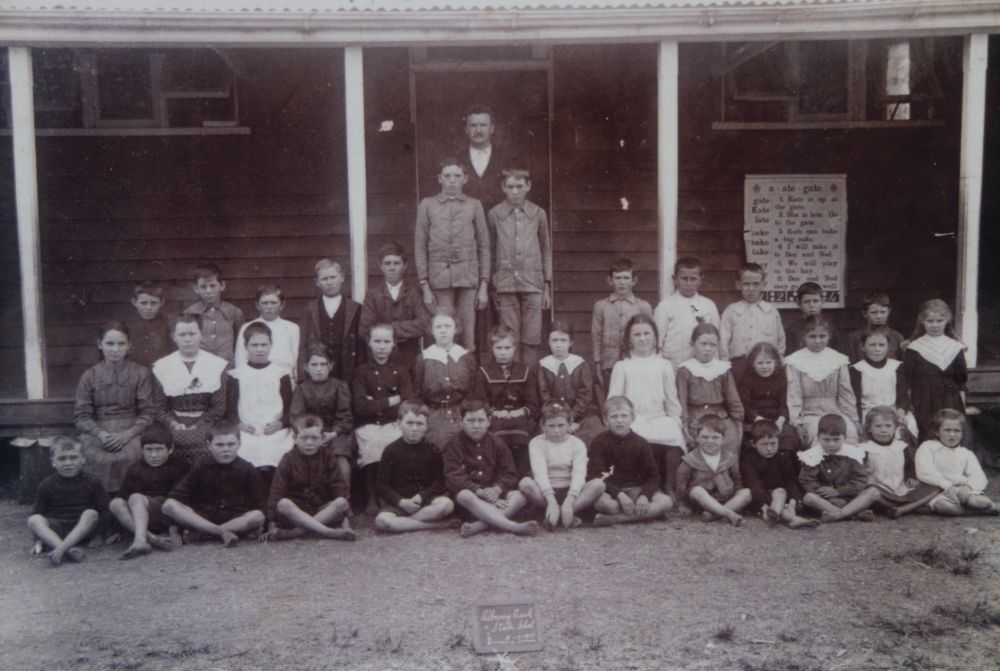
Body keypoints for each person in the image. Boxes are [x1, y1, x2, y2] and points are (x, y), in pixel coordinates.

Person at [414, 158, 490, 352]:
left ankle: (467, 380)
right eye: (447, 176)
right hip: (439, 280)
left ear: (465, 179)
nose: (452, 180)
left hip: (468, 279)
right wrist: (425, 286)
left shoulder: (474, 205)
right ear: (440, 178)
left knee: (467, 336)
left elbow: (484, 246)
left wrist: (483, 285)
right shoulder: (427, 205)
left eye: (457, 176)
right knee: (443, 332)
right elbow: (420, 246)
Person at [608, 313, 685, 498]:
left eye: (646, 333)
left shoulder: (664, 365)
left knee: (674, 436)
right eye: (637, 334)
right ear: (629, 339)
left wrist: (677, 421)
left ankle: (669, 486)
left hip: (659, 416)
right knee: (639, 438)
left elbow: (671, 398)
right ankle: (649, 485)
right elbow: (614, 400)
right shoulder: (622, 366)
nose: (643, 338)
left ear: (654, 337)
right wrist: (620, 420)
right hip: (634, 418)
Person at [74, 321, 155, 494]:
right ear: (99, 344)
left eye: (121, 344)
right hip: (99, 431)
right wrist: (101, 434)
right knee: (92, 454)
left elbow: (147, 412)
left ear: (129, 345)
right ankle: (100, 504)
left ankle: (128, 501)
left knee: (132, 454)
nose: (115, 349)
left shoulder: (141, 373)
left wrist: (127, 435)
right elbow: (81, 416)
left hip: (132, 431)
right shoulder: (89, 376)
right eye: (110, 343)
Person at [442, 398, 538, 538]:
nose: (476, 425)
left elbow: (509, 474)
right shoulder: (453, 445)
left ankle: (479, 526)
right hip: (471, 501)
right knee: (464, 495)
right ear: (461, 422)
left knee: (520, 496)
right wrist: (478, 491)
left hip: (495, 495)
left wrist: (497, 489)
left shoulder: (497, 443)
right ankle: (513, 526)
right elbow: (454, 476)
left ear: (489, 421)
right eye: (471, 421)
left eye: (481, 421)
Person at [163, 421, 267, 547]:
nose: (226, 449)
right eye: (220, 445)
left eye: (231, 444)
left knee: (258, 516)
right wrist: (173, 530)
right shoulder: (201, 465)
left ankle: (204, 534)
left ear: (239, 444)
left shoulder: (248, 469)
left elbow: (262, 504)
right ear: (209, 445)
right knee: (169, 505)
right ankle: (220, 532)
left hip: (234, 518)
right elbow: (176, 496)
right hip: (203, 517)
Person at [488, 168, 552, 366]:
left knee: (531, 339)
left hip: (533, 285)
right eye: (510, 187)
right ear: (503, 188)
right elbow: (490, 250)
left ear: (528, 186)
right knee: (509, 338)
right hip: (506, 285)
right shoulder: (495, 214)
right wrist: (493, 284)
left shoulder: (538, 213)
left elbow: (546, 249)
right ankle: (512, 386)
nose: (515, 191)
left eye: (519, 187)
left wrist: (547, 285)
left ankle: (530, 385)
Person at [259, 414, 355, 541]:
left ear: (322, 439)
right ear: (294, 438)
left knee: (342, 502)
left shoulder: (328, 457)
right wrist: (271, 524)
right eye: (304, 438)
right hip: (296, 514)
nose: (309, 443)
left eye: (314, 438)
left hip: (321, 512)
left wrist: (345, 523)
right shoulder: (288, 459)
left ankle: (293, 534)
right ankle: (328, 532)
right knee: (283, 504)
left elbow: (339, 489)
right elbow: (276, 493)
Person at [353, 324, 415, 515]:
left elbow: (406, 402)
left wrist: (377, 402)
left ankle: (388, 495)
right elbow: (361, 407)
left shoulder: (401, 371)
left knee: (393, 444)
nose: (381, 346)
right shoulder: (361, 371)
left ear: (393, 344)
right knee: (372, 444)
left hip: (393, 422)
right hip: (368, 424)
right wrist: (391, 400)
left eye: (386, 342)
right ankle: (371, 495)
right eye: (377, 341)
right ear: (369, 343)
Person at [152, 314, 229, 466]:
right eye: (182, 334)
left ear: (201, 335)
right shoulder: (162, 366)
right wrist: (173, 423)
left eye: (192, 334)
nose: (187, 339)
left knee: (205, 442)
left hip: (206, 422)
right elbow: (160, 407)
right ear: (174, 337)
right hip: (174, 422)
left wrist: (198, 424)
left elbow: (219, 407)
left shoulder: (216, 364)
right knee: (170, 443)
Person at [518, 401, 605, 530]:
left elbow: (579, 473)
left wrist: (570, 500)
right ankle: (559, 512)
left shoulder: (577, 444)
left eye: (561, 425)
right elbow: (539, 472)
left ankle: (562, 512)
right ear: (543, 425)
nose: (556, 430)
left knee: (598, 484)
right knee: (525, 483)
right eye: (551, 426)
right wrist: (551, 500)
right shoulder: (536, 443)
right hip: (545, 493)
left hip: (571, 492)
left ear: (570, 424)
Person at [587, 396, 673, 527]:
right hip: (611, 492)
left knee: (666, 502)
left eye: (624, 416)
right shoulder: (599, 442)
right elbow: (596, 475)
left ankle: (615, 519)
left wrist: (645, 495)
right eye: (614, 416)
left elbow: (653, 476)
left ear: (632, 418)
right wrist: (619, 494)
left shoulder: (641, 443)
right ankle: (646, 514)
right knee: (602, 503)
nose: (619, 421)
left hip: (635, 490)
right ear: (606, 420)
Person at [374, 401, 456, 533]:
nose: (414, 429)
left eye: (419, 424)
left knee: (447, 505)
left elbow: (440, 482)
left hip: (425, 502)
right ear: (399, 424)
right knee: (382, 521)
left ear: (427, 426)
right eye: (409, 423)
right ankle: (435, 525)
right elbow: (381, 486)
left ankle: (403, 524)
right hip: (399, 502)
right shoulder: (390, 450)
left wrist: (422, 496)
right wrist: (401, 502)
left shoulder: (433, 450)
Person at [108, 425, 187, 559]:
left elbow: (181, 501)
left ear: (171, 449)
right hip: (141, 517)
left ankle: (140, 540)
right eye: (149, 450)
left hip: (164, 516)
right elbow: (123, 495)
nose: (154, 455)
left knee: (136, 498)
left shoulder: (179, 467)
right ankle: (151, 539)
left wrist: (174, 530)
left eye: (159, 449)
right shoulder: (135, 469)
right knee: (115, 503)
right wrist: (119, 529)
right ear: (142, 450)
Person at [27, 436, 108, 566]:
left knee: (91, 513)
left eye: (73, 457)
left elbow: (105, 512)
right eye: (62, 458)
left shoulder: (93, 482)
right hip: (58, 529)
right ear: (53, 462)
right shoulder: (47, 484)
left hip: (83, 529)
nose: (68, 463)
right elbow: (39, 511)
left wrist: (99, 535)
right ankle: (67, 550)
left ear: (83, 459)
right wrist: (38, 540)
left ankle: (59, 550)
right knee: (34, 519)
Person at [226, 322, 295, 471]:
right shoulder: (236, 375)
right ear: (246, 346)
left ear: (271, 345)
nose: (260, 349)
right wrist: (239, 424)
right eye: (254, 345)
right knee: (245, 450)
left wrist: (281, 423)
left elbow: (290, 407)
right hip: (246, 431)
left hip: (276, 431)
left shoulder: (281, 374)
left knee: (279, 450)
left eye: (264, 345)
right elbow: (230, 410)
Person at [473, 324, 539, 477]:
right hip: (495, 418)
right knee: (496, 436)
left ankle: (519, 477)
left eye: (507, 348)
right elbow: (480, 401)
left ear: (514, 348)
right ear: (492, 349)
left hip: (521, 419)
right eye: (499, 348)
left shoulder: (525, 371)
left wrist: (521, 411)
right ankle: (500, 477)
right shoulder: (483, 372)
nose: (503, 352)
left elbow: (533, 403)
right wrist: (495, 412)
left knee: (521, 435)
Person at [785, 316, 860, 446]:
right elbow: (793, 396)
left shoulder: (838, 359)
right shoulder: (794, 361)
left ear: (829, 336)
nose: (818, 340)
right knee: (819, 437)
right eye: (812, 336)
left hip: (835, 411)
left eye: (822, 336)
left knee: (850, 434)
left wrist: (854, 420)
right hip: (809, 414)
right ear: (804, 337)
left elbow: (846, 394)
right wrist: (796, 423)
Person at [290, 344, 354, 494]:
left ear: (331, 366)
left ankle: (344, 498)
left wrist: (333, 433)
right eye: (314, 364)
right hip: (310, 433)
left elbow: (345, 416)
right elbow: (296, 417)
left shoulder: (339, 386)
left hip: (336, 433)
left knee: (340, 458)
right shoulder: (302, 388)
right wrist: (313, 434)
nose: (319, 369)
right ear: (306, 367)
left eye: (323, 364)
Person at [360, 241, 431, 373]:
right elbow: (366, 328)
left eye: (396, 263)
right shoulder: (373, 295)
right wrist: (405, 330)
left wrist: (390, 329)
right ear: (381, 266)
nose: (392, 268)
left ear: (405, 266)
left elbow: (424, 323)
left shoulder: (414, 293)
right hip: (380, 361)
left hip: (410, 361)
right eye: (387, 264)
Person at [903, 299, 967, 441]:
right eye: (930, 321)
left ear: (947, 321)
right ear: (922, 322)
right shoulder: (914, 348)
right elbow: (908, 379)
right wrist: (911, 404)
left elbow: (961, 378)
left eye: (939, 320)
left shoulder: (955, 347)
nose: (935, 325)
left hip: (950, 398)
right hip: (923, 400)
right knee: (927, 433)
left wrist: (962, 402)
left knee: (950, 432)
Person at [675, 323, 744, 455]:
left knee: (729, 447)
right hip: (695, 420)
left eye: (712, 345)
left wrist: (737, 427)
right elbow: (681, 402)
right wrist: (684, 427)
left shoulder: (722, 369)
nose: (708, 349)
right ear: (693, 344)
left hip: (721, 418)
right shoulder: (685, 370)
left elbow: (734, 402)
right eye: (703, 344)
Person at [859, 406, 939, 518]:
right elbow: (859, 473)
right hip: (880, 490)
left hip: (900, 489)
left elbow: (909, 467)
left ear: (895, 427)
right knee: (869, 492)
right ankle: (910, 507)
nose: (884, 430)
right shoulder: (864, 448)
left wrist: (910, 478)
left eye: (888, 426)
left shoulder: (902, 447)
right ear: (869, 428)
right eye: (878, 426)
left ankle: (903, 508)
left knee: (935, 488)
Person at [415, 308, 478, 448]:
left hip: (461, 412)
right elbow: (417, 393)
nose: (443, 330)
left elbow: (473, 389)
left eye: (447, 326)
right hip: (434, 413)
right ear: (431, 330)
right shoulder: (424, 358)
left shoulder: (465, 356)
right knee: (437, 442)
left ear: (456, 329)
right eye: (438, 327)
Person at [915, 408, 998, 516]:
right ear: (937, 432)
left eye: (957, 431)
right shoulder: (928, 447)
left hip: (960, 490)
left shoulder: (966, 453)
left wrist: (968, 487)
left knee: (983, 502)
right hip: (935, 490)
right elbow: (924, 472)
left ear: (963, 433)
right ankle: (978, 512)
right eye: (947, 430)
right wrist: (947, 486)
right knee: (946, 508)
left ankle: (983, 507)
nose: (952, 435)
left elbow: (979, 476)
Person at [798, 414, 880, 522]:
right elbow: (808, 481)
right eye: (826, 440)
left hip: (849, 496)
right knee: (809, 498)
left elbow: (860, 479)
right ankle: (853, 514)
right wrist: (828, 495)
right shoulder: (812, 456)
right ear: (818, 437)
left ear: (844, 438)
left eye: (836, 440)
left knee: (874, 492)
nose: (831, 444)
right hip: (825, 500)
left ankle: (839, 515)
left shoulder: (852, 454)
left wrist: (839, 491)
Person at [537, 320, 604, 448]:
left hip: (582, 416)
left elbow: (586, 394)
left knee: (597, 434)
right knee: (544, 438)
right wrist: (562, 420)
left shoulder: (580, 364)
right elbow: (544, 395)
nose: (558, 345)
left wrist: (571, 418)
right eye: (554, 340)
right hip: (553, 415)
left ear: (571, 342)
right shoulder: (543, 365)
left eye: (563, 340)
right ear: (548, 342)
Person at [739, 420, 817, 528]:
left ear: (778, 441)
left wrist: (792, 502)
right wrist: (764, 506)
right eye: (764, 445)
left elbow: (791, 480)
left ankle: (774, 514)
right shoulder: (749, 460)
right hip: (758, 500)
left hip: (780, 498)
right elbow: (753, 485)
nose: (769, 448)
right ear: (753, 444)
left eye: (773, 443)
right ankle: (791, 519)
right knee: (778, 495)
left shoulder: (782, 457)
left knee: (780, 491)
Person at [675, 415, 751, 526]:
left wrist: (736, 498)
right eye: (705, 437)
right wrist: (682, 504)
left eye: (715, 437)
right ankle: (729, 514)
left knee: (746, 493)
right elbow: (681, 483)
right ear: (697, 438)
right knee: (697, 490)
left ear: (723, 439)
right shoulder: (690, 459)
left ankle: (715, 514)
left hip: (725, 499)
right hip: (701, 501)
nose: (710, 441)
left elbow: (737, 481)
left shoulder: (731, 458)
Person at [591, 257, 653, 392]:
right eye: (618, 278)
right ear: (610, 280)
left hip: (636, 361)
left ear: (634, 280)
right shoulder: (601, 306)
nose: (622, 282)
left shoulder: (643, 306)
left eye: (626, 278)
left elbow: (650, 338)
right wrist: (597, 363)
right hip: (609, 363)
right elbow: (597, 335)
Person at [299, 258, 362, 383]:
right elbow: (303, 344)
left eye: (333, 277)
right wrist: (302, 376)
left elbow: (361, 345)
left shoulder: (355, 308)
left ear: (342, 277)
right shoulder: (310, 309)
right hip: (320, 369)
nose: (329, 282)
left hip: (348, 370)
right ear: (317, 282)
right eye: (325, 279)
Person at [653, 257, 720, 370]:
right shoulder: (665, 306)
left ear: (700, 280)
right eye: (684, 278)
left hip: (702, 368)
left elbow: (716, 340)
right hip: (673, 367)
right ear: (675, 279)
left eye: (693, 279)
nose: (688, 283)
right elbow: (657, 341)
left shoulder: (708, 305)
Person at [848, 326, 916, 438]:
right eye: (872, 345)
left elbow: (903, 395)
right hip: (868, 412)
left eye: (881, 345)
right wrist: (858, 421)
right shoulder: (856, 370)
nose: (877, 349)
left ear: (888, 347)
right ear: (863, 347)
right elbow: (855, 400)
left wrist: (901, 410)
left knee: (909, 426)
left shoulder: (897, 367)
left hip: (893, 410)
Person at [720, 264, 785, 377]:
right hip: (738, 366)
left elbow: (780, 341)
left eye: (756, 284)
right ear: (738, 285)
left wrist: (778, 362)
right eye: (746, 284)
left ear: (763, 285)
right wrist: (724, 366)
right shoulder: (731, 311)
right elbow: (723, 341)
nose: (751, 289)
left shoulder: (771, 312)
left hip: (765, 367)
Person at [737, 341, 800, 453]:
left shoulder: (781, 378)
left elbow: (785, 404)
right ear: (752, 364)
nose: (764, 367)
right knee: (750, 442)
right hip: (755, 420)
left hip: (777, 420)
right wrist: (758, 420)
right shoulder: (746, 380)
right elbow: (745, 405)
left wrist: (780, 421)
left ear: (775, 362)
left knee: (788, 439)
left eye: (768, 362)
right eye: (760, 363)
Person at [234, 284, 300, 384]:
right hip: (255, 378)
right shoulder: (247, 327)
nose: (269, 307)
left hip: (284, 377)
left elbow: (296, 357)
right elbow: (240, 358)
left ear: (282, 305)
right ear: (257, 305)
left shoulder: (292, 328)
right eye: (265, 303)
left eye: (273, 303)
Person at [182, 263, 244, 363]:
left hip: (227, 368)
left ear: (222, 286)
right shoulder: (190, 313)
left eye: (212, 286)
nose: (208, 291)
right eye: (203, 286)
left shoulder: (234, 312)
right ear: (196, 288)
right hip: (200, 367)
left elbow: (240, 344)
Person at [458, 105, 513, 214]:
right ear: (466, 130)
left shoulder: (507, 159)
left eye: (483, 125)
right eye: (473, 125)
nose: (478, 130)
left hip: (500, 224)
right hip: (465, 226)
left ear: (492, 129)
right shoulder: (457, 159)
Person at [845, 293, 907, 363]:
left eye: (883, 312)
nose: (879, 316)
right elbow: (852, 363)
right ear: (865, 313)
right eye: (874, 312)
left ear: (889, 312)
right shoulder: (855, 337)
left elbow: (902, 363)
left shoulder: (897, 337)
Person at [784, 282, 842, 354]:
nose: (811, 305)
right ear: (798, 303)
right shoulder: (792, 331)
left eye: (815, 301)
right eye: (806, 302)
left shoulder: (831, 328)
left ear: (822, 301)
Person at [125, 281, 172, 368]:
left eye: (154, 303)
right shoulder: (126, 327)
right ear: (134, 302)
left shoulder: (169, 325)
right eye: (143, 303)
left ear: (162, 303)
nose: (148, 308)